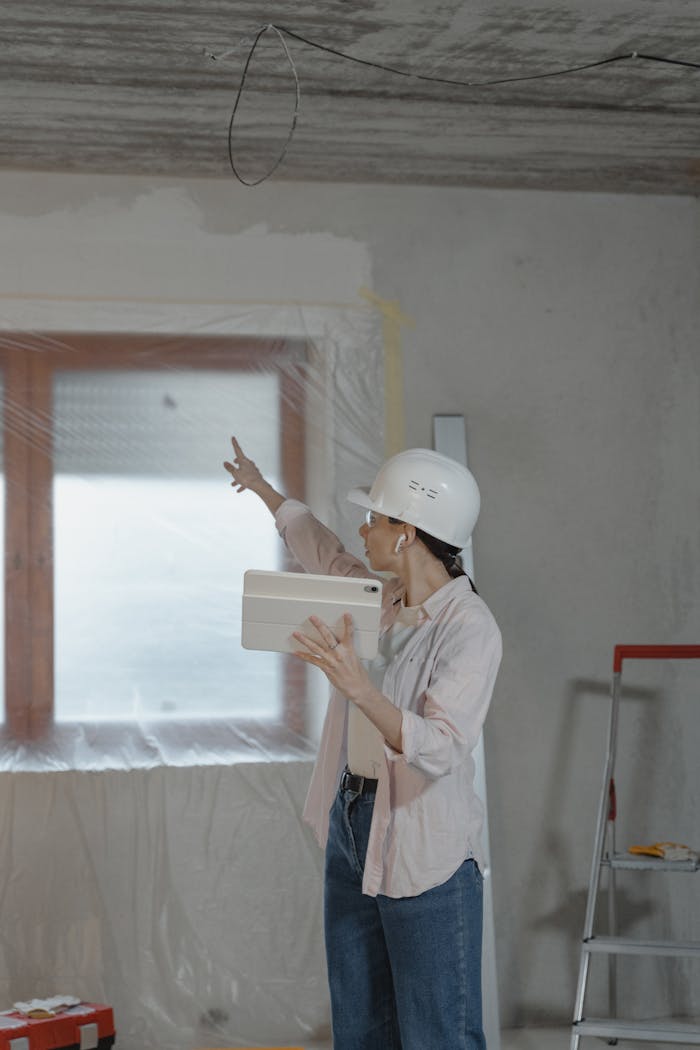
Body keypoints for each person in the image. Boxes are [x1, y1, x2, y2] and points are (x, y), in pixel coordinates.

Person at [224, 436, 502, 1050]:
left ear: (407, 533)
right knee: (361, 1026)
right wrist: (263, 488)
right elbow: (322, 550)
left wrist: (357, 685)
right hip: (352, 822)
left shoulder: (469, 627)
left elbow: (441, 746)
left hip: (421, 839)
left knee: (437, 1034)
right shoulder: (380, 601)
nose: (364, 527)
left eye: (375, 518)